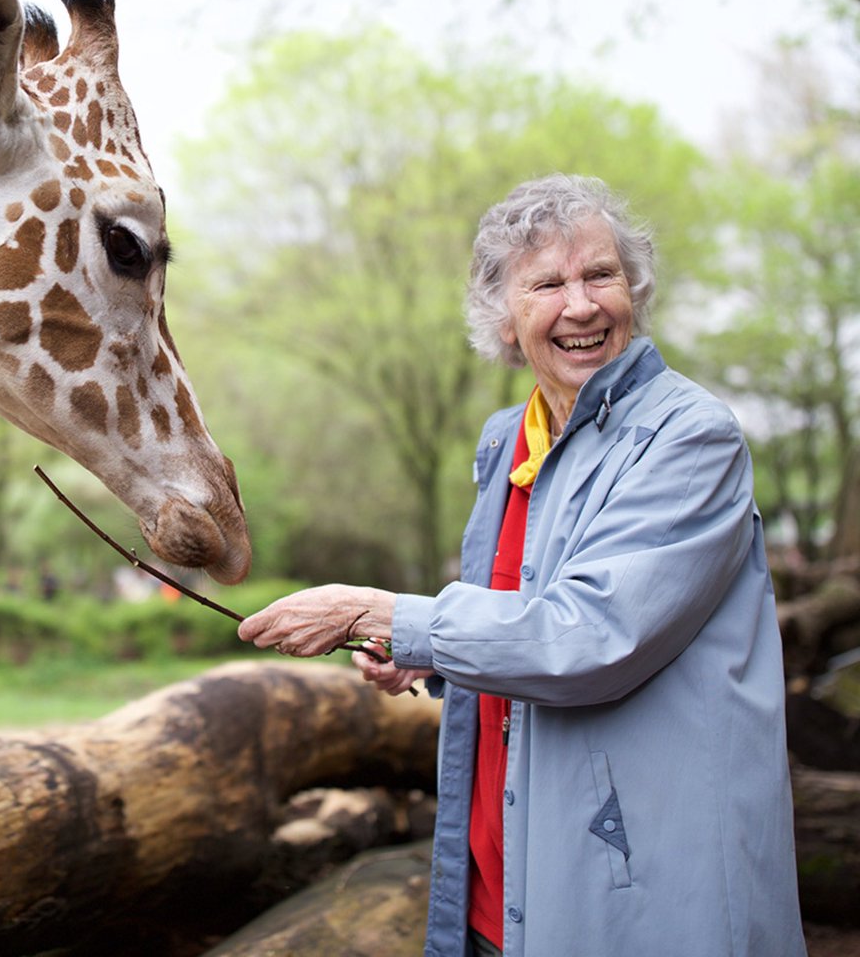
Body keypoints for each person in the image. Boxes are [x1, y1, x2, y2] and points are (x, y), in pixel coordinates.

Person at [239, 174, 805, 957]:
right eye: (546, 284)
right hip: (498, 880)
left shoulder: (689, 438)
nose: (580, 306)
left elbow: (588, 637)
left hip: (634, 891)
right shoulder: (509, 440)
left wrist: (382, 614)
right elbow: (518, 612)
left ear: (632, 288)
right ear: (504, 318)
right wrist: (429, 662)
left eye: (600, 275)